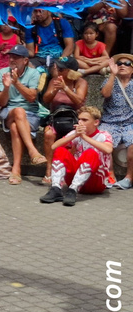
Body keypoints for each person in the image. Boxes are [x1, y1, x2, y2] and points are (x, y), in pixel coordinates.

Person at [40, 107, 114, 206]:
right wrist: (75, 135)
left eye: (84, 120)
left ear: (96, 122)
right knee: (61, 150)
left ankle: (73, 190)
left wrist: (84, 137)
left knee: (90, 153)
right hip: (75, 178)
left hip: (96, 182)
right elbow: (54, 147)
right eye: (79, 119)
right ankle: (56, 188)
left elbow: (108, 149)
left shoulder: (103, 135)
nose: (80, 122)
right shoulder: (75, 133)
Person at [0, 44, 47, 184]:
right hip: (9, 111)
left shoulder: (34, 73)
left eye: (16, 57)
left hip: (31, 113)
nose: (12, 60)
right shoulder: (2, 73)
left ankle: (16, 169)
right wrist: (6, 88)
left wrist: (16, 83)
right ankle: (32, 151)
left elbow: (31, 97)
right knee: (19, 111)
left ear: (25, 61)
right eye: (11, 57)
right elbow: (1, 102)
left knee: (15, 127)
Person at [40, 56, 88, 184]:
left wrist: (65, 88)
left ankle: (67, 172)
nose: (58, 70)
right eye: (58, 68)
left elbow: (79, 101)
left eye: (61, 69)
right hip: (56, 118)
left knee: (74, 138)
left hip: (74, 119)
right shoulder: (54, 80)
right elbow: (46, 99)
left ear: (71, 71)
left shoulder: (80, 82)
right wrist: (56, 89)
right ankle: (49, 170)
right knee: (48, 134)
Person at [100, 55, 133, 189]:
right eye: (119, 63)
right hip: (109, 122)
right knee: (103, 140)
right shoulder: (109, 81)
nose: (122, 65)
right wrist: (113, 75)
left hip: (130, 123)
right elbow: (105, 94)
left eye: (127, 63)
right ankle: (110, 175)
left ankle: (129, 178)